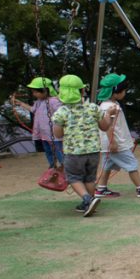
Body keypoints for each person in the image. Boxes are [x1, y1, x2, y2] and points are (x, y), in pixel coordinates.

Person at [50, 74, 113, 216]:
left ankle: (87, 199)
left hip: (73, 152)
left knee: (73, 177)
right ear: (83, 91)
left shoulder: (61, 112)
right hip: (93, 151)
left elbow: (58, 134)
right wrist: (108, 115)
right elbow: (104, 127)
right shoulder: (93, 108)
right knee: (89, 178)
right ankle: (89, 204)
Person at [94, 74, 140, 199]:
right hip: (115, 143)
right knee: (131, 164)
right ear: (115, 92)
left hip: (108, 143)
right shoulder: (110, 107)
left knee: (107, 166)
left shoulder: (107, 104)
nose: (125, 92)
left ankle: (101, 189)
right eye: (124, 90)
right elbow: (109, 126)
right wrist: (113, 142)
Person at [9, 77, 63, 168]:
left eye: (36, 92)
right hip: (44, 134)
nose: (34, 94)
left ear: (45, 91)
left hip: (54, 134)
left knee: (58, 151)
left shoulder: (54, 101)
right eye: (33, 92)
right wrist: (21, 104)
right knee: (48, 151)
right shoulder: (38, 102)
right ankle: (52, 167)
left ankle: (65, 167)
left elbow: (62, 113)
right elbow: (33, 110)